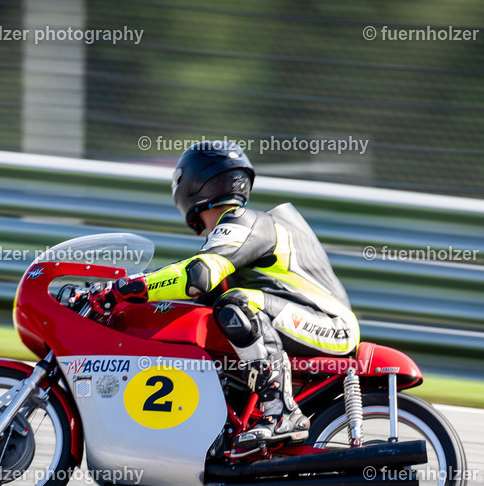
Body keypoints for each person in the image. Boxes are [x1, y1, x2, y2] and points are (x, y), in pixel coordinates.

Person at [90, 140, 359, 446]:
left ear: (190, 185)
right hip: (306, 321)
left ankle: (281, 412)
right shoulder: (236, 234)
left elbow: (198, 277)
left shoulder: (245, 222)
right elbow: (192, 293)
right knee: (215, 315)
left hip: (329, 325)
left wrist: (124, 288)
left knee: (235, 305)